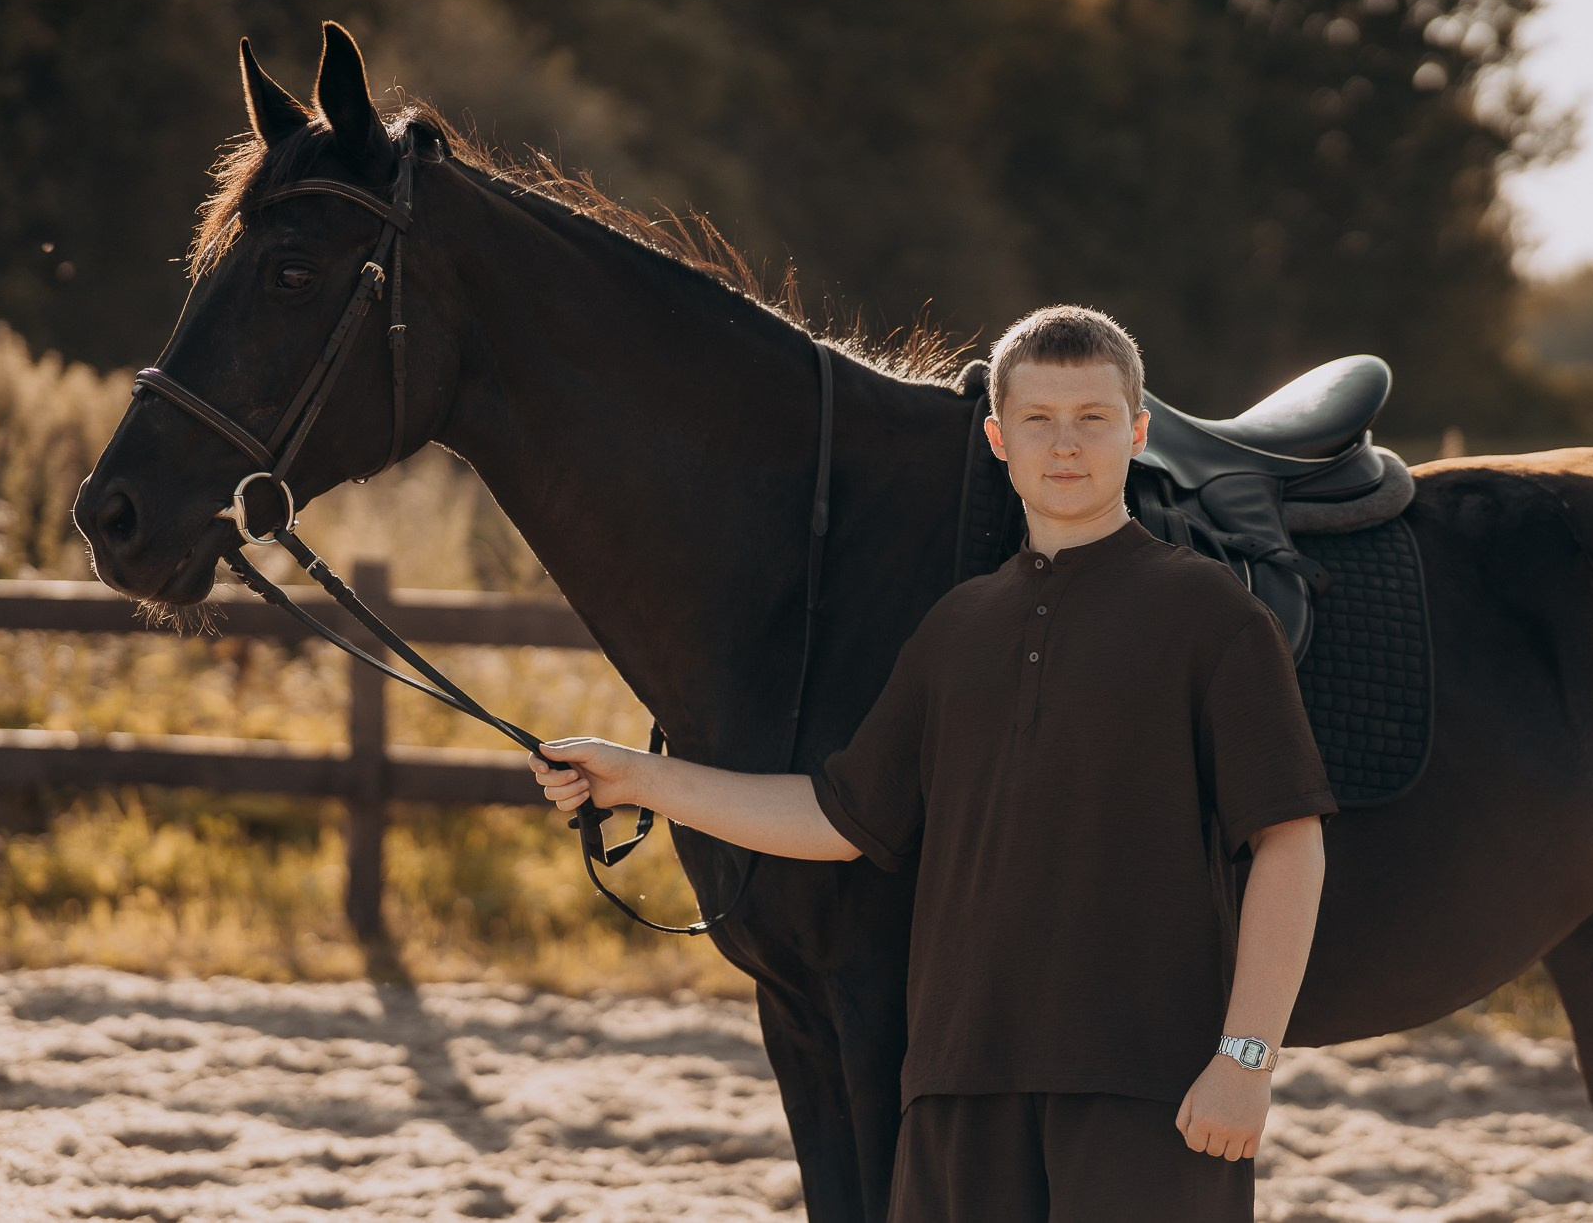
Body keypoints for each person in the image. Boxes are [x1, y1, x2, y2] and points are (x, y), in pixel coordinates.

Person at [531, 305, 1337, 1221]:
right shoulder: (955, 629)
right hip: (956, 1096)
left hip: (1146, 1098)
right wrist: (637, 777)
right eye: (1037, 420)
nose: (1064, 445)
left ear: (1139, 431)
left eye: (1092, 418)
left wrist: (1246, 1059)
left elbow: (1290, 843)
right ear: (997, 437)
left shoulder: (1214, 616)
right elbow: (839, 818)